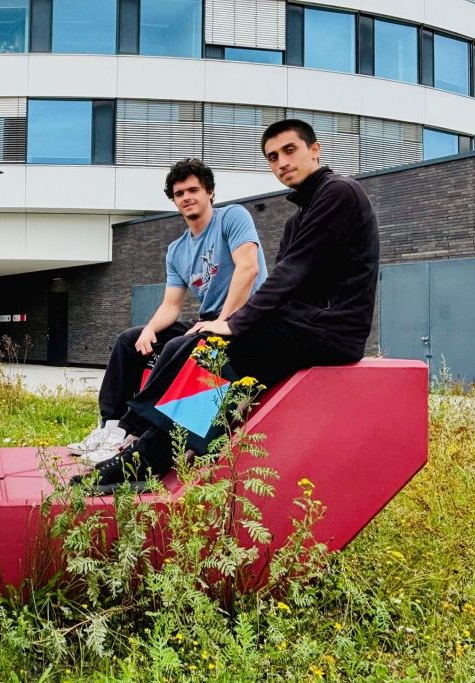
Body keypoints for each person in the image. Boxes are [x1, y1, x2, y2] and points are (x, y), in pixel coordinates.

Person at [84, 118, 380, 488]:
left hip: (334, 330)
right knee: (201, 346)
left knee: (213, 347)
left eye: (290, 150)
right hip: (307, 322)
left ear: (314, 149)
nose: (281, 162)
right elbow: (290, 284)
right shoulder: (297, 218)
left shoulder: (339, 193)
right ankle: (150, 437)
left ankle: (150, 449)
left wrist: (235, 322)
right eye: (272, 157)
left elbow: (291, 272)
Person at [68, 158, 267, 463]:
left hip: (246, 318)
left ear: (209, 192)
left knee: (179, 345)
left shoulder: (232, 218)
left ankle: (133, 429)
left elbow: (248, 269)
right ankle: (111, 428)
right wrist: (149, 329)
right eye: (179, 193)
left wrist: (222, 320)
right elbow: (171, 305)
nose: (186, 197)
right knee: (129, 341)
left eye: (193, 190)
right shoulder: (177, 249)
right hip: (208, 320)